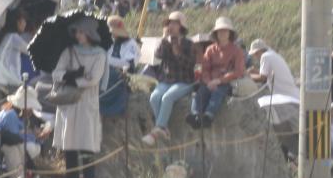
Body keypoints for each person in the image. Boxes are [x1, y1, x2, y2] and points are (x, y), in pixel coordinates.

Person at [50, 17, 107, 178]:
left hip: (86, 101)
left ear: (89, 33)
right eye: (77, 32)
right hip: (69, 101)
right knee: (69, 143)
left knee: (86, 142)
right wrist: (70, 75)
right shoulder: (69, 51)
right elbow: (56, 72)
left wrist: (76, 80)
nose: (78, 35)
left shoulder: (100, 54)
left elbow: (94, 78)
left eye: (81, 32)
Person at [143, 12, 198, 145]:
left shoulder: (189, 43)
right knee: (154, 97)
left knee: (167, 97)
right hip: (166, 80)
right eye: (169, 23)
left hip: (184, 81)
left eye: (174, 23)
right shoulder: (166, 41)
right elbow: (158, 55)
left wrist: (177, 52)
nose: (171, 26)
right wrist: (164, 38)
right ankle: (163, 128)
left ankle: (158, 130)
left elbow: (190, 65)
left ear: (181, 26)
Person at [189, 17, 246, 128]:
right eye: (219, 31)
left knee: (218, 92)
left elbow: (239, 71)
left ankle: (209, 115)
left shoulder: (237, 50)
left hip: (227, 81)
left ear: (230, 33)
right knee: (201, 92)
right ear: (216, 33)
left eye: (225, 31)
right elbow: (204, 68)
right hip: (210, 81)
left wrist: (220, 80)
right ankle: (195, 115)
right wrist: (208, 81)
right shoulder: (210, 49)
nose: (222, 33)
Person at [248, 38, 300, 127]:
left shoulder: (265, 56)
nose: (255, 57)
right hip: (290, 93)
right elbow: (267, 74)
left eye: (255, 54)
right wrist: (254, 71)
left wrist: (247, 76)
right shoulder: (273, 54)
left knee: (281, 122)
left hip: (285, 96)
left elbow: (262, 78)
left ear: (259, 51)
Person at [100, 14, 139, 119]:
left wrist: (112, 63)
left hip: (121, 74)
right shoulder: (109, 42)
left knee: (109, 79)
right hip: (105, 70)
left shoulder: (131, 44)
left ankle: (108, 110)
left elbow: (130, 63)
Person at [0, 6, 34, 89]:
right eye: (24, 20)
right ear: (18, 22)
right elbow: (31, 51)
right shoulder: (13, 37)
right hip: (9, 84)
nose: (25, 24)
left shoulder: (3, 37)